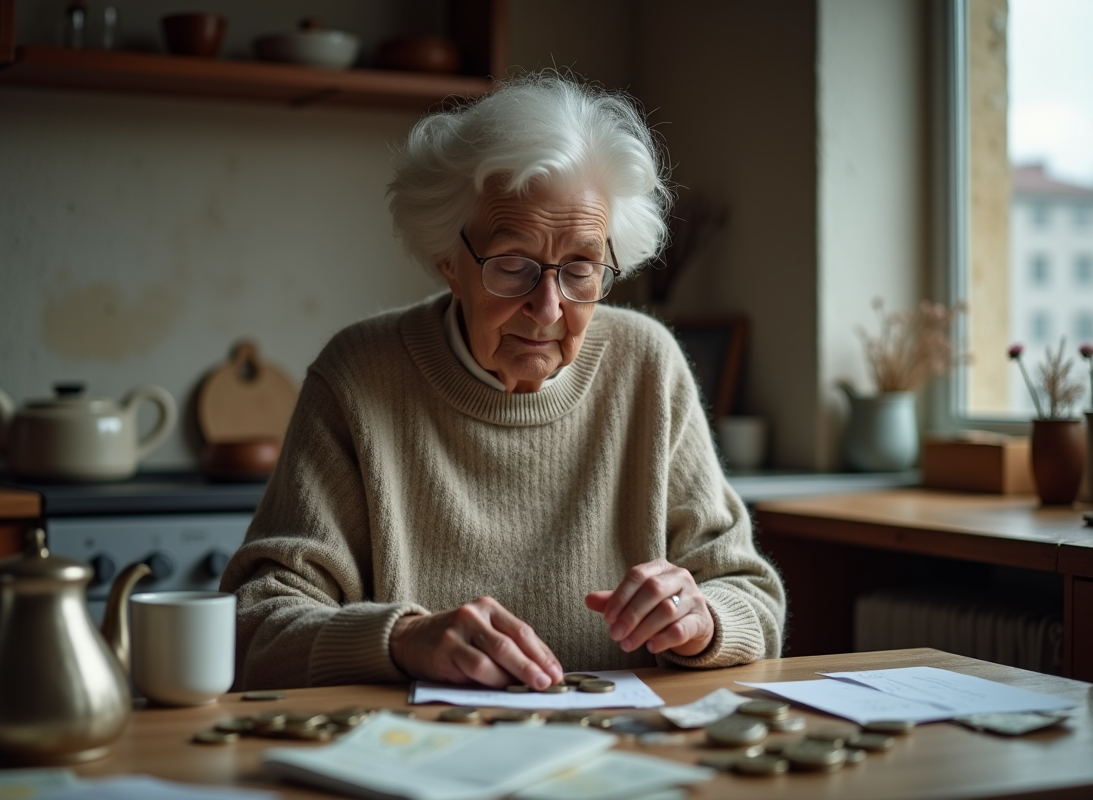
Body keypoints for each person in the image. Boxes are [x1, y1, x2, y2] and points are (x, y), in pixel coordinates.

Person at [219, 73, 785, 691]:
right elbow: (254, 626)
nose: (548, 306)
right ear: (448, 261)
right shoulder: (359, 376)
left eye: (580, 268)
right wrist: (402, 640)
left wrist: (702, 618)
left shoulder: (647, 366)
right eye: (513, 266)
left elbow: (750, 596)